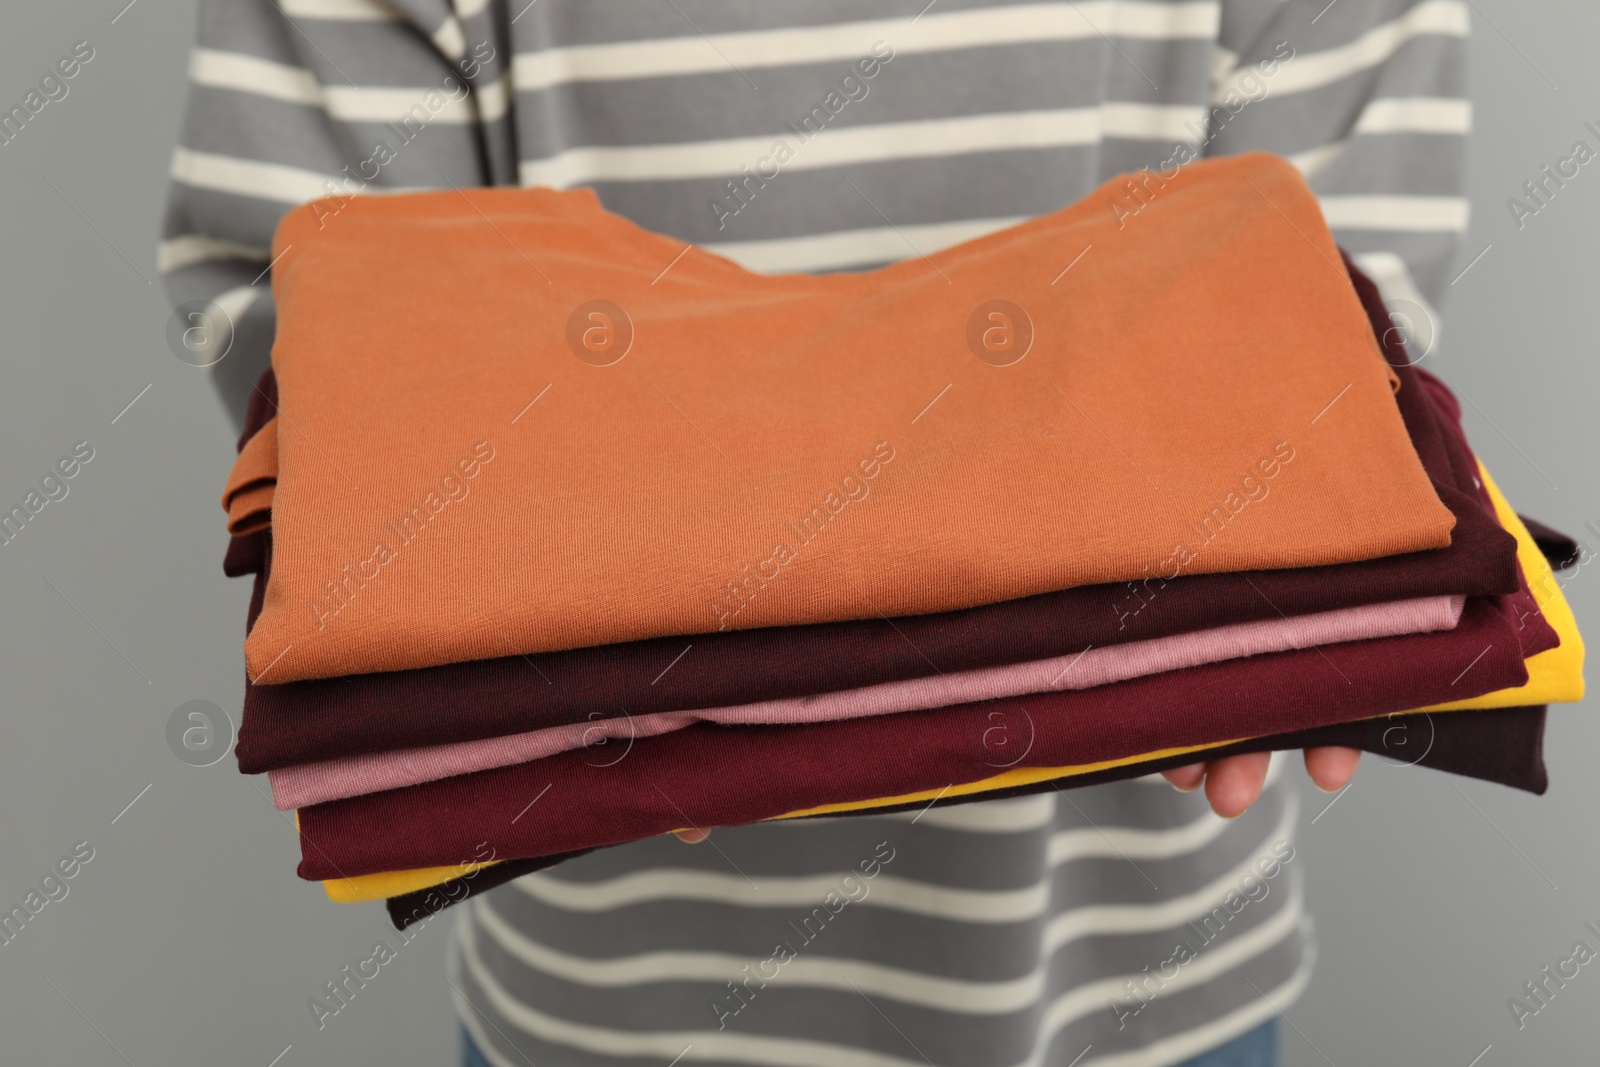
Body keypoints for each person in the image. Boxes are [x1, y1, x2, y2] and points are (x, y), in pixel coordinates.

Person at [162, 2, 1467, 1063]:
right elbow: (341, 333)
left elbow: (1324, 309)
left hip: (1150, 972)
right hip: (614, 996)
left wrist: (1307, 553)